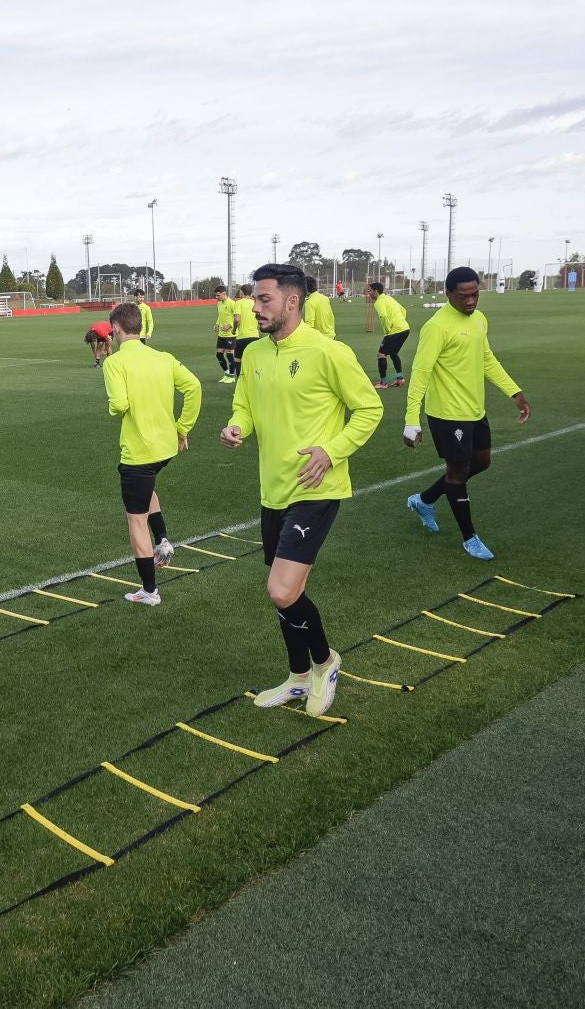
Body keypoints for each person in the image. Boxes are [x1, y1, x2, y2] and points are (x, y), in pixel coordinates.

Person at [220, 264, 382, 717]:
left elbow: (368, 408)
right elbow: (244, 405)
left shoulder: (328, 352)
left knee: (280, 589)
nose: (254, 308)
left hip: (316, 487)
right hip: (272, 490)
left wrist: (331, 451)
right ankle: (296, 677)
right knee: (286, 593)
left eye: (264, 300)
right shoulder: (252, 354)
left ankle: (326, 662)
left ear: (292, 301)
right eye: (254, 299)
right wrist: (236, 427)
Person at [404, 267, 529, 561]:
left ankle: (424, 500)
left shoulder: (479, 320)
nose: (471, 301)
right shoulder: (437, 327)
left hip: (474, 409)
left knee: (482, 462)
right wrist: (412, 419)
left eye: (475, 294)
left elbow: (487, 359)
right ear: (448, 294)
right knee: (458, 473)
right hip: (447, 413)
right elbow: (420, 373)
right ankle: (470, 538)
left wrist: (515, 392)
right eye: (464, 296)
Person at [102, 301, 201, 606]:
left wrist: (114, 407)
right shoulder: (163, 357)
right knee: (148, 490)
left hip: (139, 452)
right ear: (140, 327)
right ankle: (163, 541)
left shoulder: (114, 363)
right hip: (165, 448)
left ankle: (149, 590)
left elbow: (118, 404)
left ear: (116, 329)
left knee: (134, 520)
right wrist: (182, 428)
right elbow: (194, 387)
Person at [364, 281, 411, 389]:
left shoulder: (378, 302)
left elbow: (383, 316)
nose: (368, 294)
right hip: (405, 329)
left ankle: (383, 383)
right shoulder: (389, 298)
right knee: (393, 353)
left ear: (376, 291)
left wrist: (387, 330)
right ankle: (400, 378)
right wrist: (400, 322)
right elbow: (403, 310)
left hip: (395, 331)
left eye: (369, 291)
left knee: (381, 354)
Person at [231, 283, 260, 378]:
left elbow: (237, 319)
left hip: (242, 337)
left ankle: (241, 384)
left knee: (238, 360)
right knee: (254, 362)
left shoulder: (239, 303)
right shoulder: (255, 303)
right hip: (255, 337)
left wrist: (234, 330)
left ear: (242, 292)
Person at [212, 287, 238, 382]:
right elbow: (220, 315)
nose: (216, 297)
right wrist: (217, 323)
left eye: (218, 295)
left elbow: (237, 317)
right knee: (219, 355)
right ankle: (226, 374)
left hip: (231, 334)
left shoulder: (232, 303)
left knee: (230, 355)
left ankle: (232, 377)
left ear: (224, 293)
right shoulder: (219, 303)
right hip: (221, 334)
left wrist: (230, 325)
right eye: (216, 295)